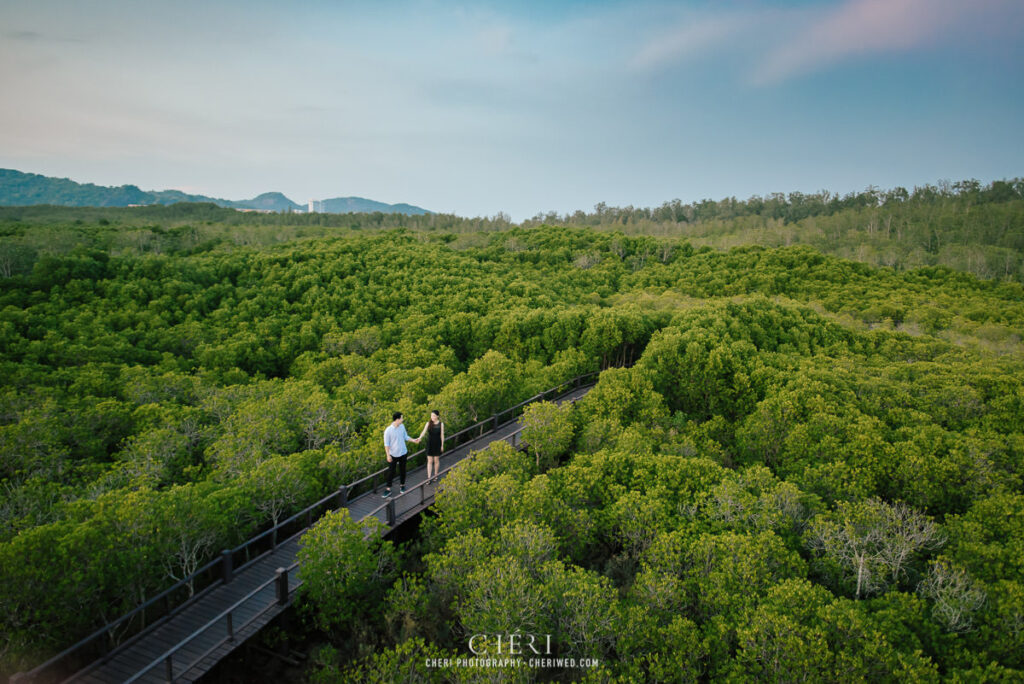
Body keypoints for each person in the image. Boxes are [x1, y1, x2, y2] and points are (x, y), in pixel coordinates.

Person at [383, 411, 419, 497]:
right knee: (391, 472)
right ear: (397, 419)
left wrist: (414, 440)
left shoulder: (402, 426)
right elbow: (386, 444)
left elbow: (405, 437)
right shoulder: (388, 430)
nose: (403, 420)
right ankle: (388, 489)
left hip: (403, 452)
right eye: (401, 418)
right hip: (393, 454)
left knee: (403, 470)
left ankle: (402, 486)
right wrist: (388, 455)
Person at [418, 410, 445, 484]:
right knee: (429, 461)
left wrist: (442, 445)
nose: (432, 417)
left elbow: (442, 435)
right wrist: (420, 438)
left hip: (437, 444)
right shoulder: (428, 423)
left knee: (436, 460)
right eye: (431, 415)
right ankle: (429, 478)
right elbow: (423, 431)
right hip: (430, 444)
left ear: (437, 416)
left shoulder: (441, 424)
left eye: (433, 415)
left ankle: (436, 475)